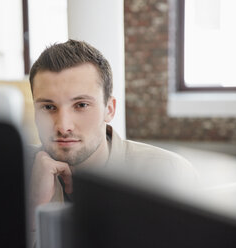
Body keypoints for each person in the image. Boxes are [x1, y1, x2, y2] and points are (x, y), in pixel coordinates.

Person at [28, 39, 198, 229]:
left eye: (81, 105)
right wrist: (33, 214)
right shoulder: (10, 173)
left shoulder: (169, 173)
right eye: (48, 107)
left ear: (109, 109)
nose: (63, 126)